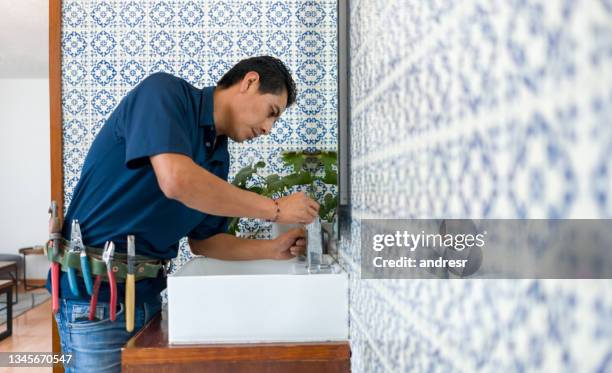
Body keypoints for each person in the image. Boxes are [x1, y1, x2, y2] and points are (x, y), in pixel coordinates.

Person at [47, 56, 320, 372]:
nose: (268, 128)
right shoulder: (163, 93)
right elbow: (176, 180)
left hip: (147, 298)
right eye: (271, 112)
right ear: (249, 82)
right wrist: (274, 209)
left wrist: (272, 250)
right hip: (95, 299)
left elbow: (205, 241)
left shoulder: (217, 158)